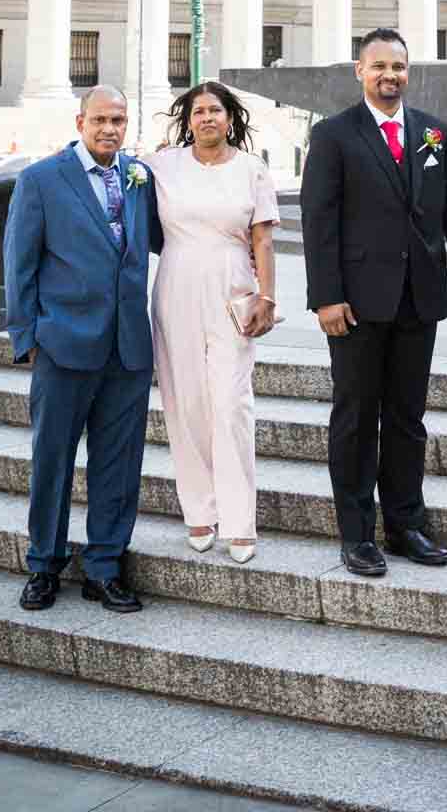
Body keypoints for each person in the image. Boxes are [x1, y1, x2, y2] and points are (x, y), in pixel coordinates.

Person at [300, 26, 447, 577]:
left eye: (398, 67)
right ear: (360, 71)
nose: (389, 75)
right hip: (355, 306)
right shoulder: (333, 135)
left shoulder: (434, 133)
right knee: (355, 418)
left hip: (418, 301)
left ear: (409, 71)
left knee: (408, 418)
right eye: (378, 66)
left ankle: (406, 525)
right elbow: (318, 221)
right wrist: (326, 297)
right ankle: (357, 534)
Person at [2, 85, 162, 615]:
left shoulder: (139, 179)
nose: (110, 129)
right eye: (100, 120)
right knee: (53, 459)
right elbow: (19, 264)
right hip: (63, 344)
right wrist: (27, 337)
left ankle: (104, 568)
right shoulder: (41, 180)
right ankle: (44, 565)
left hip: (128, 349)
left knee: (119, 464)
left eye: (118, 120)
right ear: (80, 121)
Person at [147, 80, 279, 564]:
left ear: (229, 118)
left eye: (215, 111)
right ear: (188, 119)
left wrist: (267, 296)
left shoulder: (251, 169)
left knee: (230, 404)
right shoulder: (162, 166)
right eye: (198, 111)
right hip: (176, 285)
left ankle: (241, 521)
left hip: (234, 287)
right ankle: (199, 510)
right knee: (186, 404)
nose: (207, 118)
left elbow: (262, 240)